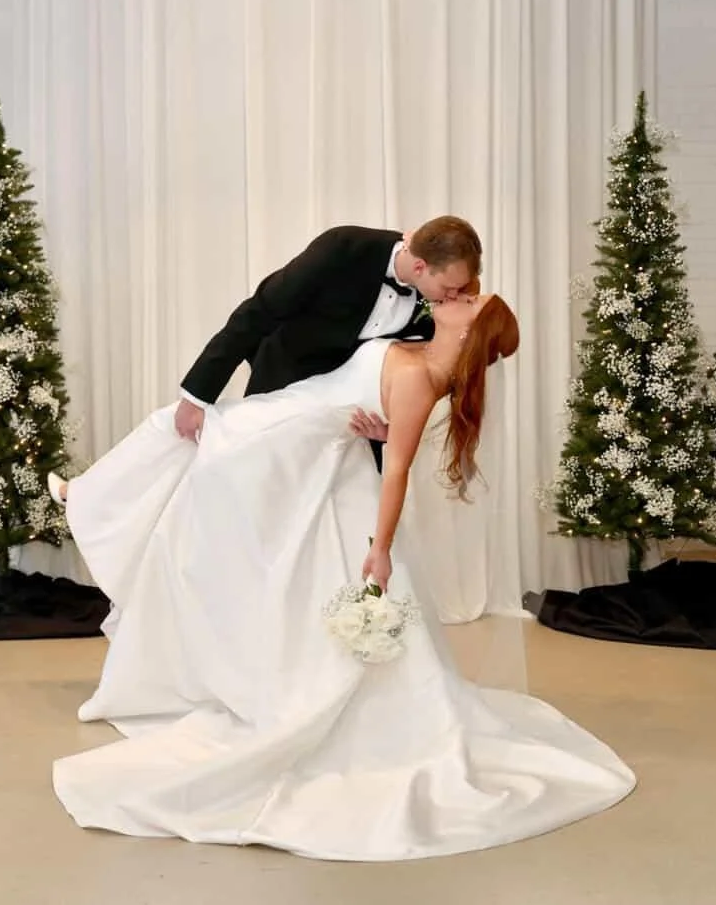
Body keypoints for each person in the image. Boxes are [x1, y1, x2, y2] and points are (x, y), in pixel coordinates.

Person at [47, 289, 636, 862]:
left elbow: (398, 472)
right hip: (292, 430)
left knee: (188, 466)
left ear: (465, 331)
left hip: (287, 441)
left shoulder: (417, 381)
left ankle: (96, 511)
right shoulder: (413, 343)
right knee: (183, 460)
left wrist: (380, 550)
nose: (457, 297)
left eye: (466, 303)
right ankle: (100, 513)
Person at [171, 216, 483, 453]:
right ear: (419, 266)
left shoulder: (437, 304)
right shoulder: (342, 248)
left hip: (347, 427)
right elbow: (260, 310)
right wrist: (198, 396)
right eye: (448, 288)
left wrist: (394, 428)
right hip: (283, 384)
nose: (452, 296)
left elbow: (424, 370)